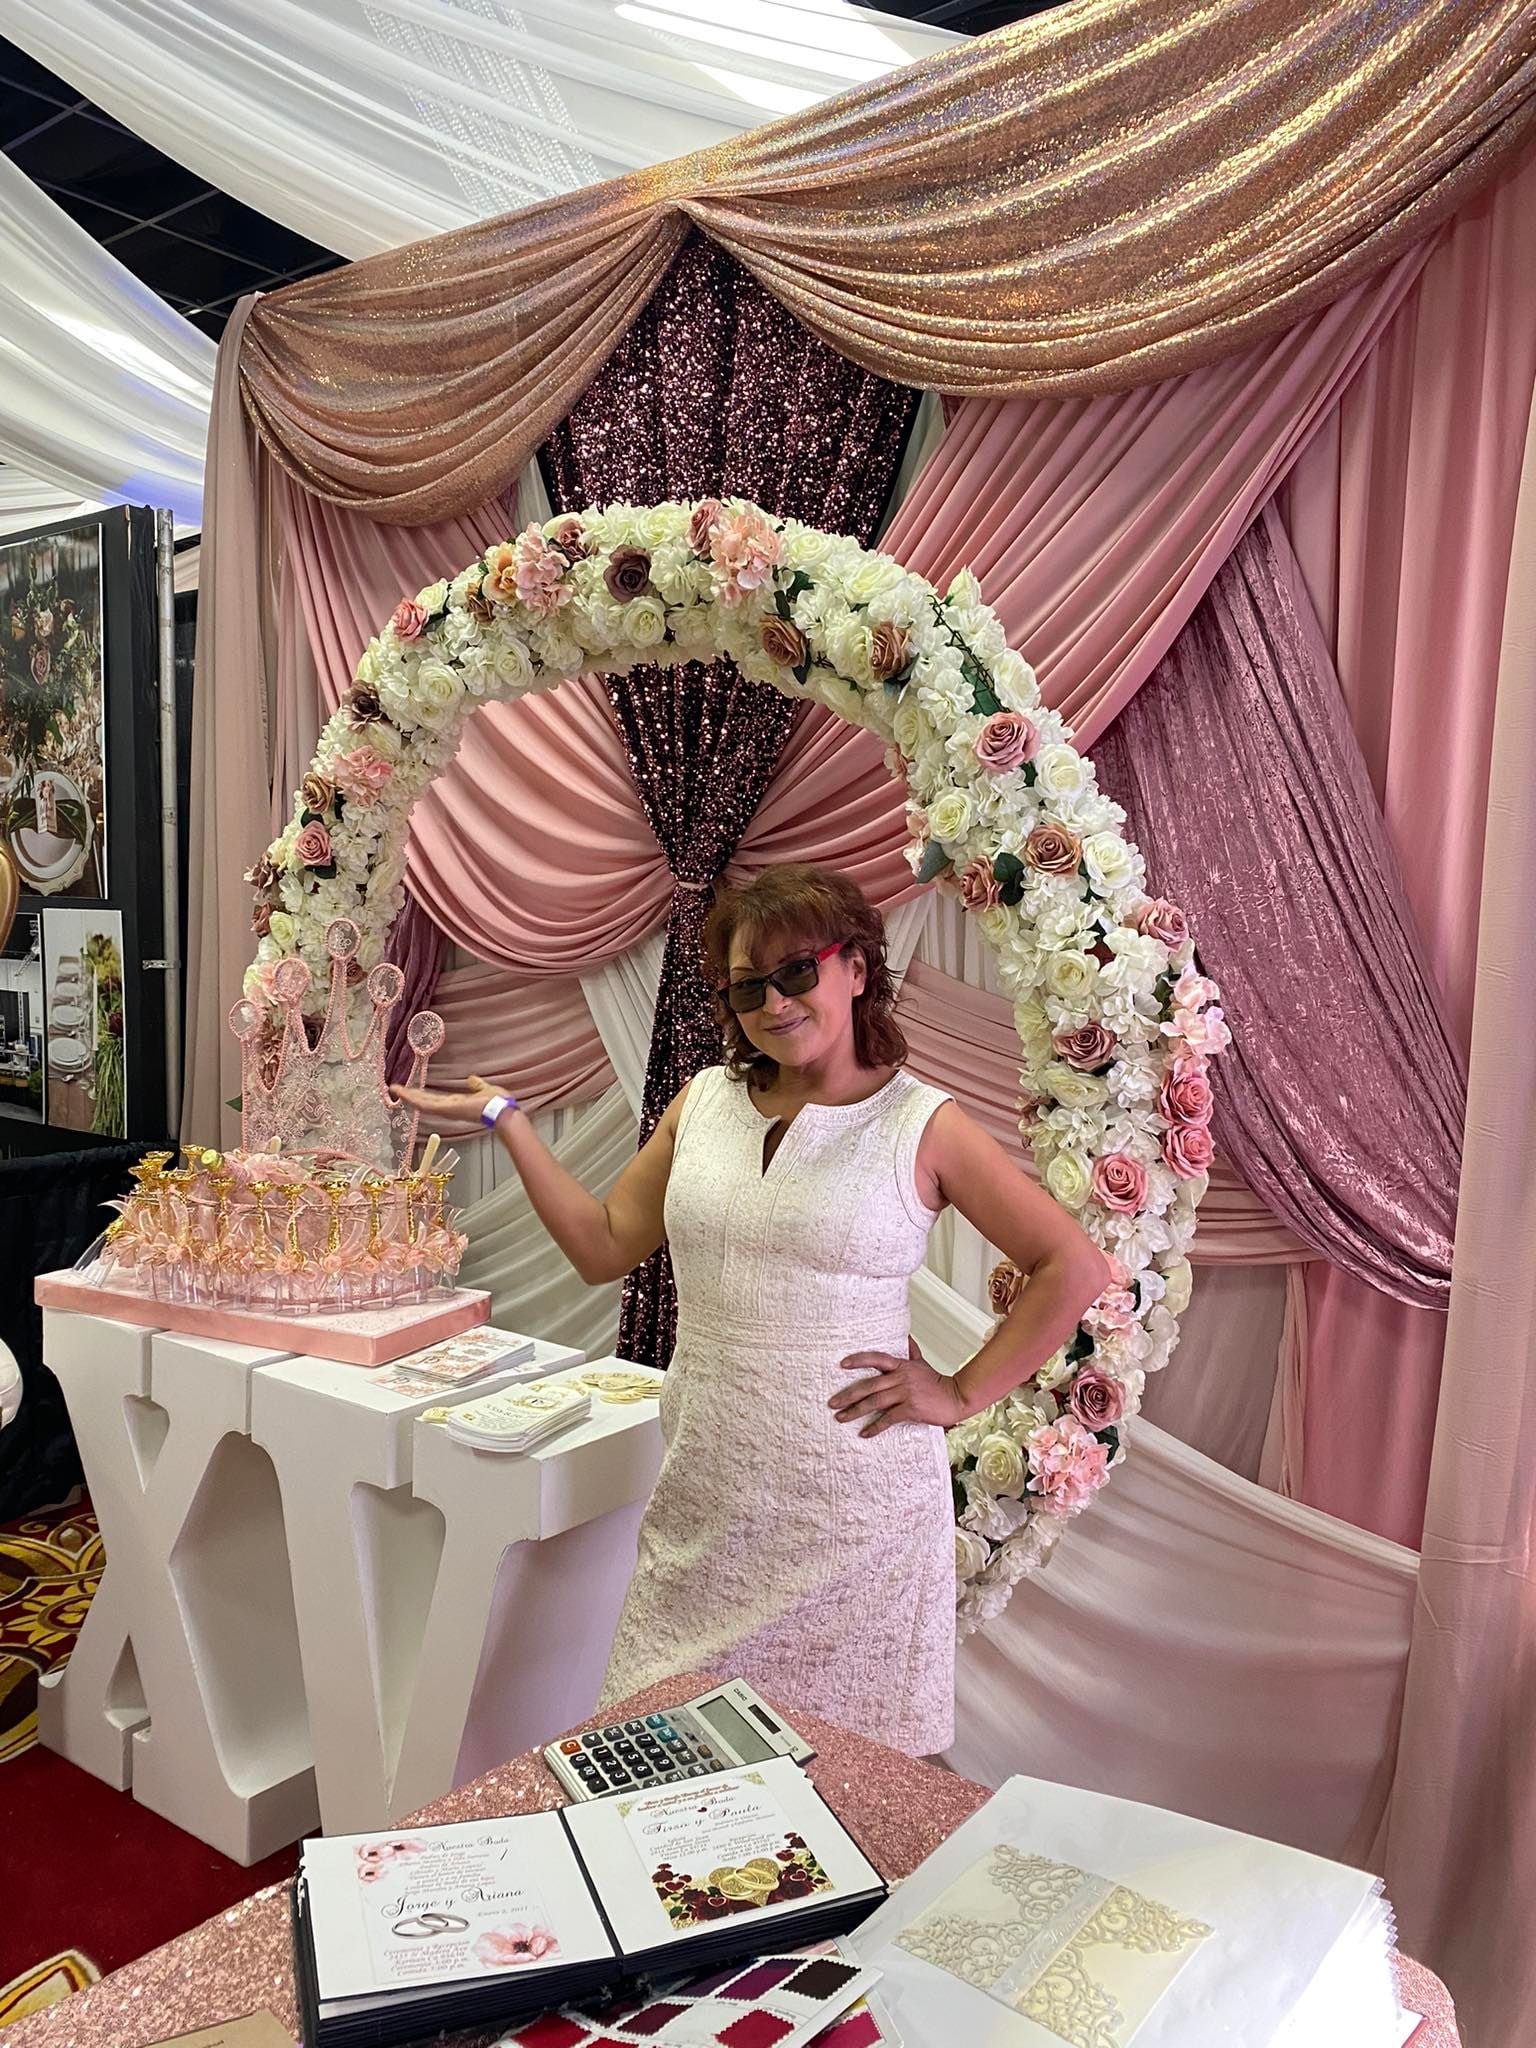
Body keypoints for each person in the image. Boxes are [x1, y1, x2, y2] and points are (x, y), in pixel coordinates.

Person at [395, 863, 1109, 1755]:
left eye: (797, 971)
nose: (774, 1003)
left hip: (857, 1521)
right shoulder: (703, 1104)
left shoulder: (920, 1124)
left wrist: (961, 1393)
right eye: (747, 987)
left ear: (856, 968)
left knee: (847, 1779)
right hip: (704, 1503)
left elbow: (1071, 1266)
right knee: (657, 1755)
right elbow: (603, 1245)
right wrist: (508, 1120)